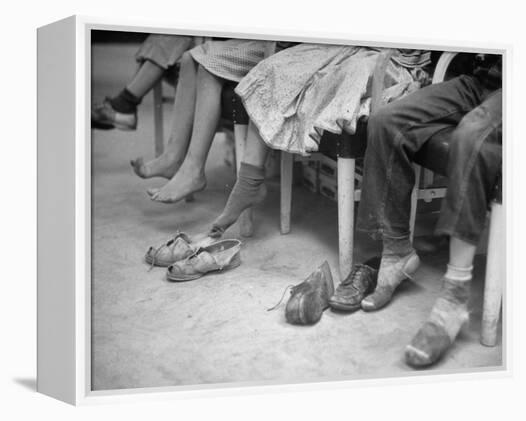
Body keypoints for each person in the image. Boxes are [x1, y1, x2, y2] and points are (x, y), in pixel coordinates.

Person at [354, 54, 502, 367]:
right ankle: (396, 254)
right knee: (385, 122)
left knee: (471, 136)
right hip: (481, 79)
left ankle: (453, 298)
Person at [207, 45, 431, 237]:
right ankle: (249, 182)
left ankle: (249, 186)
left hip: (393, 56)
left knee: (349, 75)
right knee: (274, 67)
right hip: (347, 43)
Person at [130, 38, 276, 203]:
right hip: (256, 38)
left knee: (209, 65)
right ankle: (173, 157)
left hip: (279, 45)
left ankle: (194, 171)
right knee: (189, 57)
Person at [92, 34, 195, 130]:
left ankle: (125, 104)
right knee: (165, 35)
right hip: (182, 61)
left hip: (201, 68)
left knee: (171, 38)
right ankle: (125, 104)